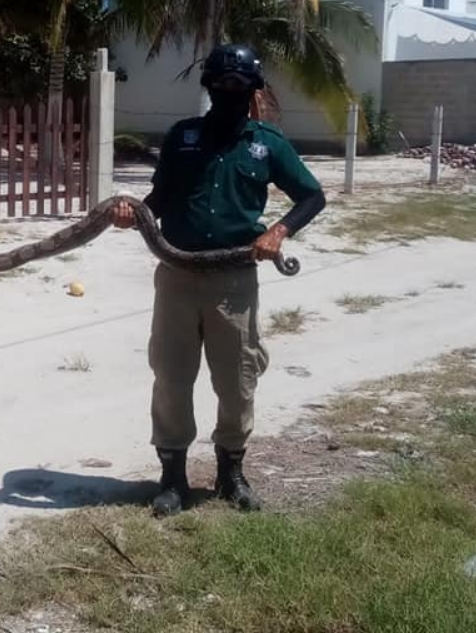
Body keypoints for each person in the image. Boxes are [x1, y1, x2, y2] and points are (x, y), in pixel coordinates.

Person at [111, 44, 326, 517]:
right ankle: (172, 478)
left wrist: (279, 230)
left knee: (237, 382)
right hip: (177, 274)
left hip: (234, 280)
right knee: (171, 378)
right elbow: (160, 198)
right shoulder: (182, 137)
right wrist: (134, 213)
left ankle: (231, 472)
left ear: (252, 91)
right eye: (221, 85)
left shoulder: (267, 143)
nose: (229, 93)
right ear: (208, 87)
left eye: (239, 86)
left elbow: (312, 195)